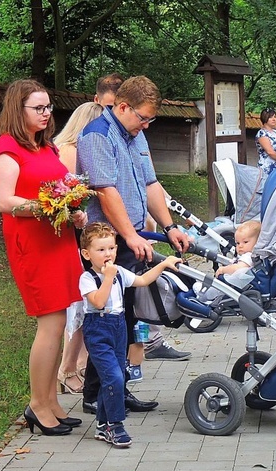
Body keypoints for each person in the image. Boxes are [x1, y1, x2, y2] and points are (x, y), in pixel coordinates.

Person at [77, 76, 191, 415]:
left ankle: (109, 391)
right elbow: (105, 190)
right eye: (143, 117)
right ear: (122, 106)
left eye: (150, 120)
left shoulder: (135, 136)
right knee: (108, 320)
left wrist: (169, 227)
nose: (146, 125)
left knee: (124, 319)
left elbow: (151, 184)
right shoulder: (97, 135)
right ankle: (99, 395)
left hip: (131, 239)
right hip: (108, 245)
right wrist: (129, 235)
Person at [0, 79, 87, 435]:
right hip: (32, 244)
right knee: (49, 324)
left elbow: (62, 190)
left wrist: (72, 210)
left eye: (48, 108)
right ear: (19, 109)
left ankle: (51, 401)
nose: (47, 114)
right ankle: (36, 404)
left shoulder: (46, 148)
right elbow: (4, 201)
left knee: (60, 321)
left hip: (59, 240)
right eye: (39, 108)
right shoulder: (6, 149)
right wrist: (47, 207)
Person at [79, 222, 181, 448]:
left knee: (118, 376)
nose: (108, 254)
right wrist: (107, 278)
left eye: (112, 248)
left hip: (118, 328)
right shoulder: (88, 278)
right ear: (87, 254)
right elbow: (98, 301)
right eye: (101, 250)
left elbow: (143, 280)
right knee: (113, 376)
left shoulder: (119, 273)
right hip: (98, 329)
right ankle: (115, 425)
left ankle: (103, 424)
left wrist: (163, 264)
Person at [53, 102, 104, 394]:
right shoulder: (70, 151)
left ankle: (80, 363)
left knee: (87, 303)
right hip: (74, 234)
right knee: (80, 303)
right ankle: (67, 368)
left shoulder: (68, 148)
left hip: (82, 230)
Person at [193, 220, 260, 302]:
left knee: (220, 288)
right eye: (237, 243)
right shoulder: (252, 256)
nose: (240, 246)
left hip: (235, 286)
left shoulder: (249, 256)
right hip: (240, 285)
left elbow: (238, 268)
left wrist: (223, 270)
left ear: (258, 242)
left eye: (245, 242)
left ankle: (206, 295)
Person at [255, 108, 276, 175]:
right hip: (267, 167)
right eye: (270, 117)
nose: (274, 119)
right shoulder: (262, 133)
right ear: (265, 118)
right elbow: (270, 152)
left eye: (274, 117)